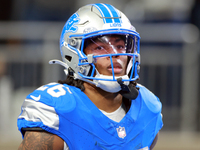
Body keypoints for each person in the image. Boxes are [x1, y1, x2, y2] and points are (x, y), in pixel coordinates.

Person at [17, 3, 163, 150]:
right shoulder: (57, 110)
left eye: (120, 46)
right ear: (74, 53)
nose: (115, 54)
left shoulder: (147, 106)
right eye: (100, 47)